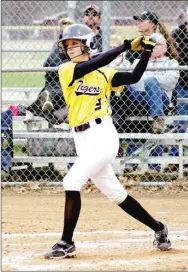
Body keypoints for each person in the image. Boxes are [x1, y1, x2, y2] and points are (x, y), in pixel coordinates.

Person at [44, 23, 171, 259]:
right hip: (81, 139)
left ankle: (66, 242)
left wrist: (145, 51)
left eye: (75, 44)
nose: (70, 48)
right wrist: (125, 46)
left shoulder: (105, 73)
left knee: (71, 180)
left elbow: (134, 76)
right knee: (117, 194)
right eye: (68, 45)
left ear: (87, 44)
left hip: (103, 135)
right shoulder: (66, 70)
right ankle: (159, 228)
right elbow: (95, 62)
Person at [123, 33, 179, 173]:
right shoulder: (137, 62)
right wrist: (150, 81)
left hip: (162, 99)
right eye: (151, 45)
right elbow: (132, 82)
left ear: (165, 47)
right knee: (126, 85)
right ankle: (131, 164)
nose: (154, 47)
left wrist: (149, 81)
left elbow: (169, 83)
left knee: (151, 82)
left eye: (158, 44)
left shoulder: (172, 63)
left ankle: (157, 118)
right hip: (139, 99)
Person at [164, 7, 188, 172]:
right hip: (183, 85)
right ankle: (175, 159)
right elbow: (175, 55)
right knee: (181, 123)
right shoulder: (177, 34)